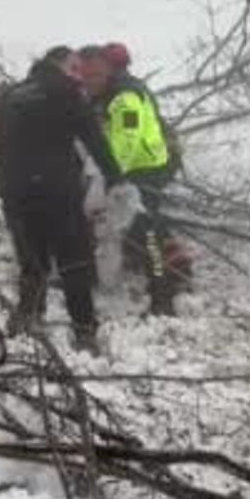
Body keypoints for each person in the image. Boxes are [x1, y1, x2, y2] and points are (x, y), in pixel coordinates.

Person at [0, 45, 131, 354]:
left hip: (17, 194)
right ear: (61, 64)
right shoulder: (68, 91)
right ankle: (84, 333)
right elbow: (94, 138)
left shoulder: (12, 95)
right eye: (75, 67)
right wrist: (117, 178)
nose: (79, 75)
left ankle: (25, 329)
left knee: (33, 264)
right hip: (58, 191)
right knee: (74, 263)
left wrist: (7, 188)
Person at [77, 42, 184, 316]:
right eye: (84, 77)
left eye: (93, 77)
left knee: (147, 231)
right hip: (133, 168)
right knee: (142, 228)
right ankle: (168, 275)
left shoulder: (125, 98)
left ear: (107, 71)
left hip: (145, 168)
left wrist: (110, 174)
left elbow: (128, 140)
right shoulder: (109, 94)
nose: (87, 83)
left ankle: (163, 296)